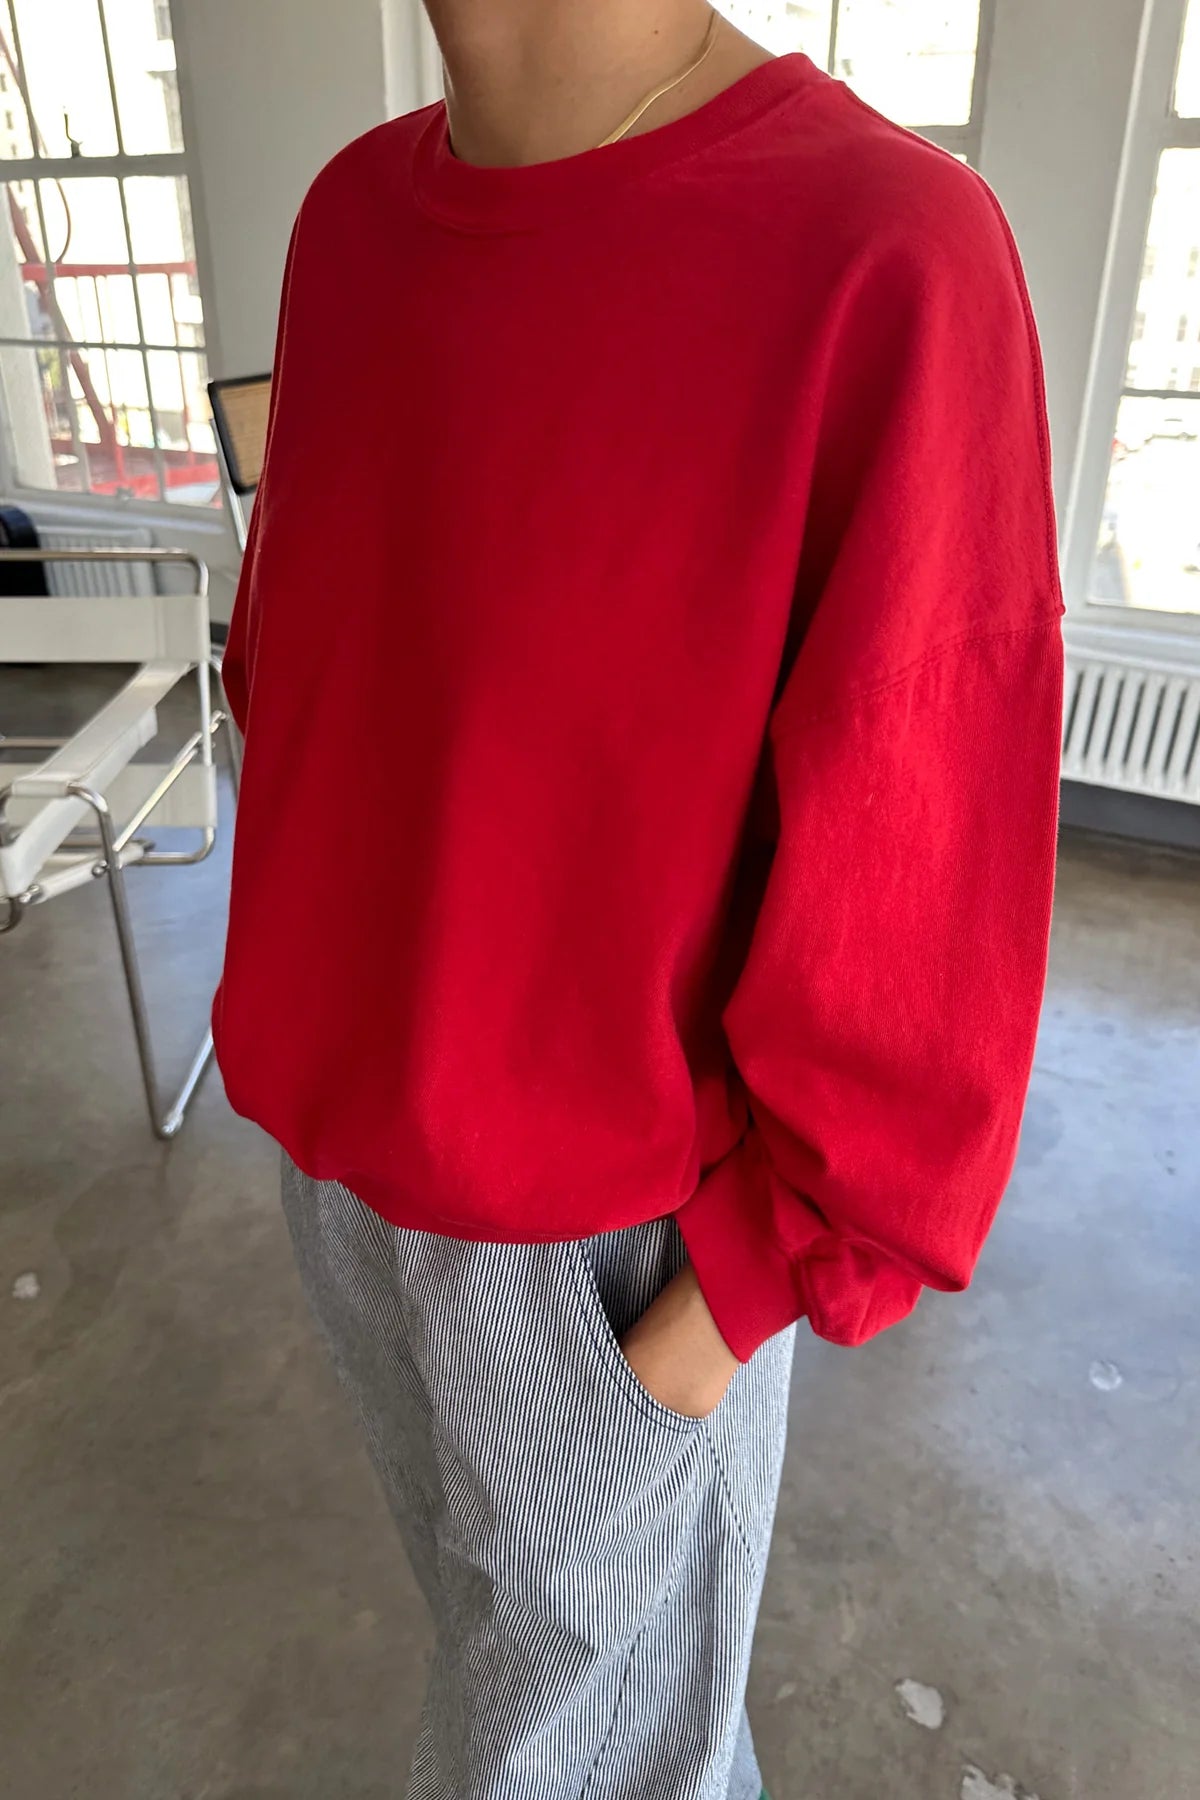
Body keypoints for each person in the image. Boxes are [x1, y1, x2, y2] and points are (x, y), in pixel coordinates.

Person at [212, 3, 1066, 1795]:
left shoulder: (883, 251)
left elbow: (925, 894)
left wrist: (729, 1299)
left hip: (612, 1249)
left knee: (581, 1766)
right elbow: (316, 682)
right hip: (351, 1172)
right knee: (564, 1713)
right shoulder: (353, 220)